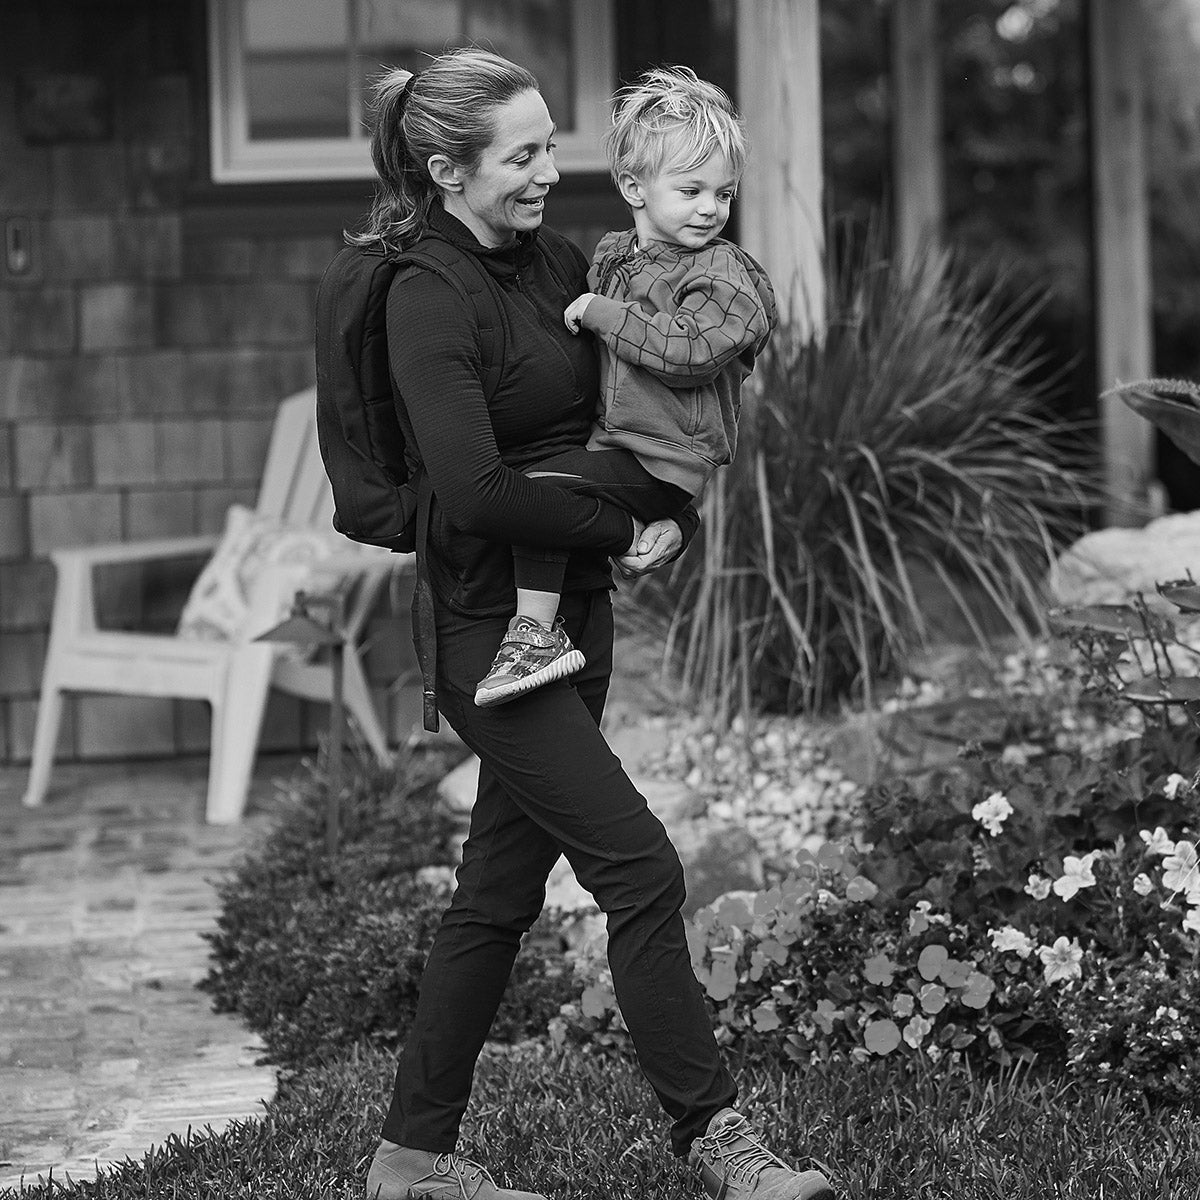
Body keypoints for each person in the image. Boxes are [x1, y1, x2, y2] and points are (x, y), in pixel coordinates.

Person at [350, 47, 835, 1200]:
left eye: (549, 146)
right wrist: (620, 534)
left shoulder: (558, 261)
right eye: (520, 156)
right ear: (445, 168)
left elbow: (640, 417)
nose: (543, 172)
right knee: (639, 866)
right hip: (488, 634)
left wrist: (659, 512)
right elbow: (472, 492)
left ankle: (410, 1160)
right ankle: (721, 1143)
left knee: (497, 894)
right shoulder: (429, 295)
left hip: (569, 620)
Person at [472, 66, 777, 710]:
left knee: (540, 490)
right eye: (691, 189)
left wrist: (602, 313)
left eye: (723, 194)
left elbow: (690, 353)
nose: (710, 209)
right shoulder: (613, 257)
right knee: (544, 485)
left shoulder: (726, 277)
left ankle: (534, 635)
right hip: (619, 447)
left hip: (668, 459)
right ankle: (540, 625)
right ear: (633, 187)